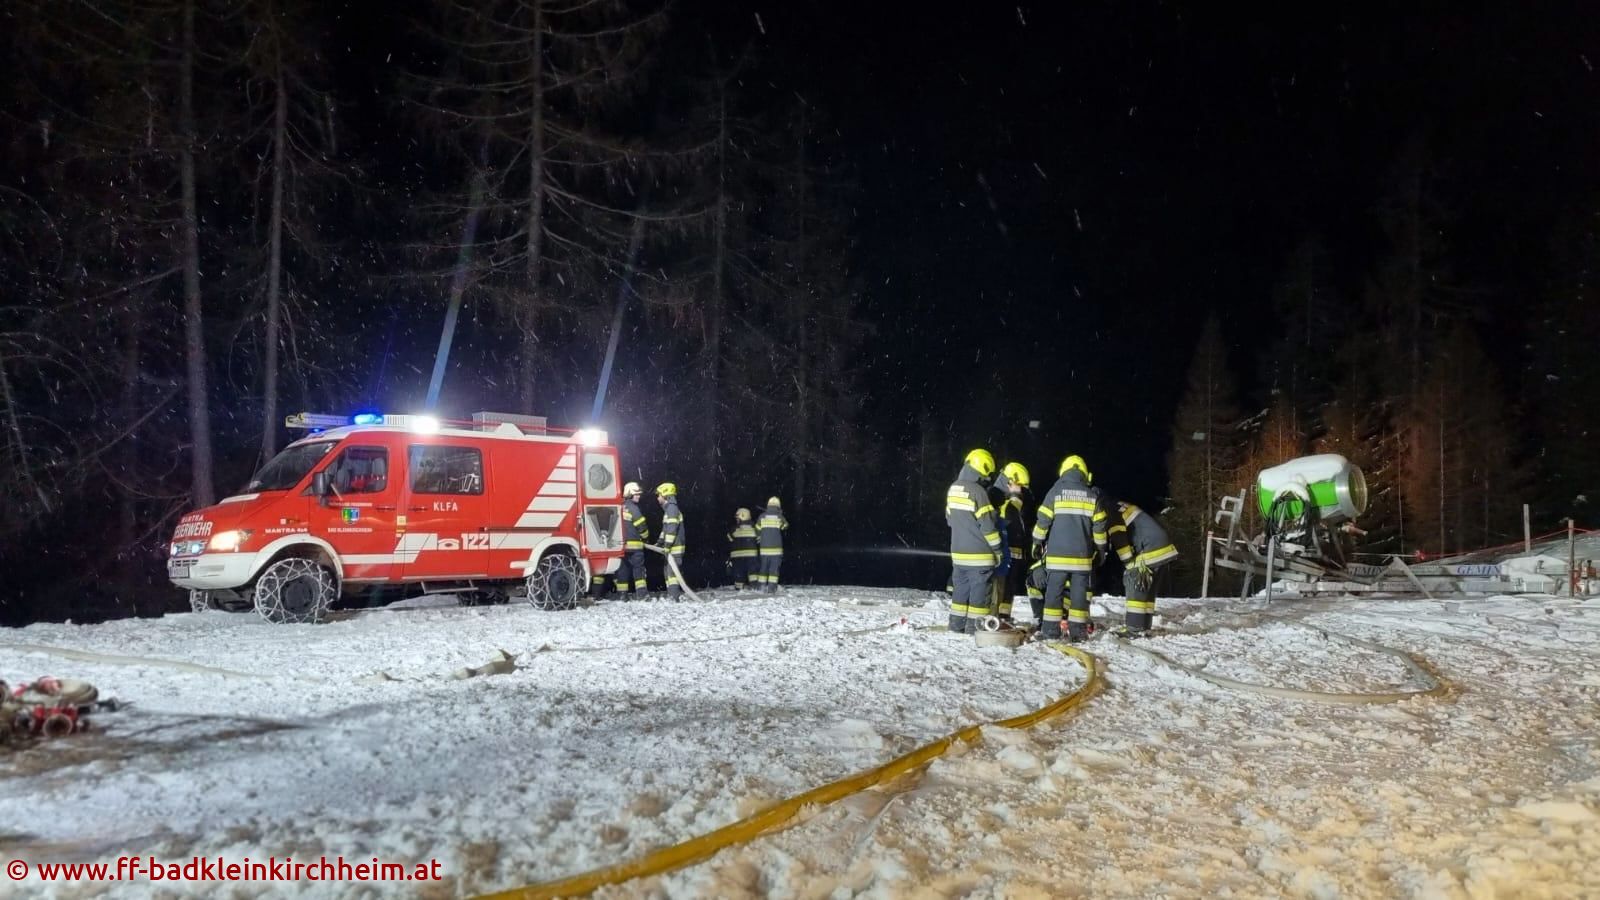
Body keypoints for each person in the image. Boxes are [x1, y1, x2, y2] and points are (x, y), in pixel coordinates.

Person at [1031, 454, 1116, 641]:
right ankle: (1078, 633)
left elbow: (1043, 521)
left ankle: (1050, 632)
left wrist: (1037, 543)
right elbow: (1100, 529)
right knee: (1079, 597)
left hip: (1057, 557)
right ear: (1085, 474)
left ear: (1064, 472)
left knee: (1054, 595)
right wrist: (1101, 551)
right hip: (1082, 558)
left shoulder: (1055, 492)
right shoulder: (1092, 495)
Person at [946, 448, 1003, 634]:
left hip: (958, 553)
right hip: (980, 555)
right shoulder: (979, 492)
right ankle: (975, 628)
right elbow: (988, 527)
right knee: (980, 593)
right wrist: (998, 551)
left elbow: (949, 519)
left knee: (960, 590)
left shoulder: (953, 488)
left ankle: (956, 625)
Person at [1107, 500, 1179, 634]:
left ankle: (1134, 629)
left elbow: (1120, 540)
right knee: (1147, 588)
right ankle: (1144, 626)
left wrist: (1128, 563)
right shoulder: (1122, 507)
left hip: (1150, 548)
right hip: (1163, 548)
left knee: (1134, 581)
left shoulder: (1111, 514)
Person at [996, 461, 1032, 624]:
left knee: (1008, 589)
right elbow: (1009, 517)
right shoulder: (1000, 500)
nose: (1022, 491)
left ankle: (1003, 616)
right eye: (1020, 487)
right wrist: (1016, 496)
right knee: (1002, 588)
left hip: (1013, 554)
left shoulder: (1008, 500)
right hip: (1005, 553)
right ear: (1011, 482)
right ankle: (997, 616)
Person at [616, 482, 650, 598]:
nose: (638, 496)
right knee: (638, 570)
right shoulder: (634, 508)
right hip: (635, 548)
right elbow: (642, 526)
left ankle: (622, 595)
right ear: (629, 494)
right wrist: (646, 538)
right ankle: (642, 595)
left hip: (621, 546)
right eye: (636, 494)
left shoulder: (620, 506)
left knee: (622, 571)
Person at [656, 482, 686, 600]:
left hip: (675, 548)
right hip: (671, 548)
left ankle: (674, 597)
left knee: (672, 573)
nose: (657, 498)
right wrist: (659, 542)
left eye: (659, 495)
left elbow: (672, 529)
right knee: (667, 571)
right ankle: (672, 595)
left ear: (665, 495)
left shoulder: (672, 509)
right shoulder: (669, 509)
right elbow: (666, 529)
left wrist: (667, 545)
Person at [756, 497, 788, 593]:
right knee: (774, 570)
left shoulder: (762, 516)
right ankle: (771, 588)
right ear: (778, 506)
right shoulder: (779, 517)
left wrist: (760, 540)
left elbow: (757, 529)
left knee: (763, 568)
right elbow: (785, 526)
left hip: (764, 549)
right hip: (776, 549)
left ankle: (761, 587)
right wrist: (781, 515)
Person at [727, 508, 758, 589]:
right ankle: (754, 587)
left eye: (737, 518)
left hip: (737, 557)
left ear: (743, 516)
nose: (736, 519)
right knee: (753, 573)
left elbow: (729, 539)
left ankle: (739, 588)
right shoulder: (754, 528)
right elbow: (759, 540)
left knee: (738, 573)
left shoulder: (734, 529)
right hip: (752, 556)